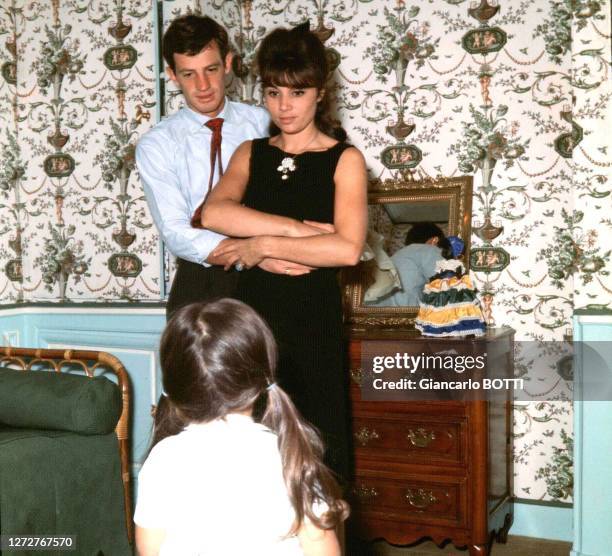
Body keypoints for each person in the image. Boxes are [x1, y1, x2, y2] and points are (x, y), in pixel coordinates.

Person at [201, 23, 368, 480]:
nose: (284, 106)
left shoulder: (344, 159)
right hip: (255, 321)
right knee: (255, 449)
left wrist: (259, 245)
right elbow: (213, 213)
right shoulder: (250, 153)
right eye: (273, 93)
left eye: (297, 93)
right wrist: (298, 233)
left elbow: (348, 250)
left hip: (313, 322)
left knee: (316, 449)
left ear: (320, 92)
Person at [134, 299, 349, 556]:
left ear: (172, 388)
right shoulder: (288, 455)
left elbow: (149, 550)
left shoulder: (162, 459)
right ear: (260, 381)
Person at [135, 15, 311, 318]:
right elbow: (176, 231)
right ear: (172, 75)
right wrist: (251, 254)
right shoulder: (157, 145)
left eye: (211, 69)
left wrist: (271, 249)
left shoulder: (264, 123)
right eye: (188, 75)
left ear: (228, 63)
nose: (202, 86)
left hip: (276, 270)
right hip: (203, 277)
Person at [416, 236, 486, 337]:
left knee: (452, 309)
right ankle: (446, 328)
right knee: (445, 309)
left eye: (442, 248)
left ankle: (453, 328)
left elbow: (453, 273)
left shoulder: (453, 263)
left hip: (451, 286)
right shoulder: (444, 263)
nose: (440, 250)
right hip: (446, 285)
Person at [368, 222, 449, 307]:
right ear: (435, 240)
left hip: (370, 314)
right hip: (405, 316)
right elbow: (447, 285)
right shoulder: (430, 250)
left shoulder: (393, 258)